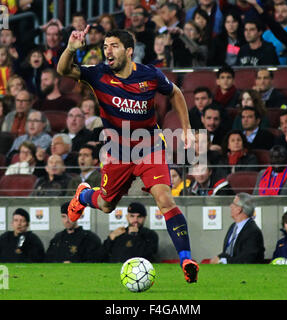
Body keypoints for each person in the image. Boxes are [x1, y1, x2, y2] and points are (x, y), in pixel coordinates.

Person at [58, 27, 199, 282]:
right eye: (105, 46)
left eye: (113, 46)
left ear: (129, 51)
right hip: (117, 152)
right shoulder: (98, 74)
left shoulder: (150, 75)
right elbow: (64, 70)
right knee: (105, 205)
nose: (107, 51)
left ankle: (186, 258)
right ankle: (83, 195)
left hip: (150, 147)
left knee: (165, 200)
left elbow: (176, 92)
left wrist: (186, 129)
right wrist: (70, 48)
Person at [210, 193, 264, 264]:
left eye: (233, 204)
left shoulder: (253, 231)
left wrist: (223, 261)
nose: (230, 206)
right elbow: (228, 251)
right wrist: (219, 257)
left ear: (239, 209)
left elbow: (247, 259)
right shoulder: (233, 227)